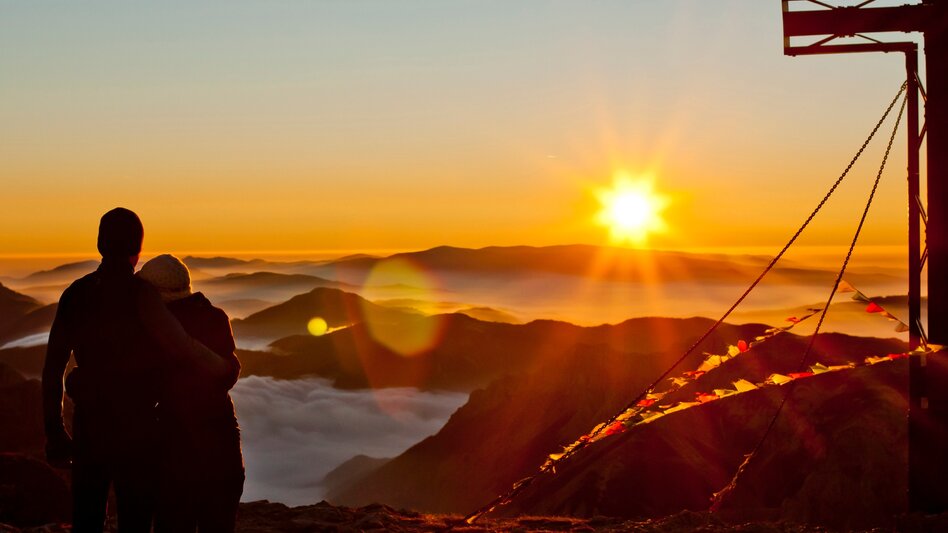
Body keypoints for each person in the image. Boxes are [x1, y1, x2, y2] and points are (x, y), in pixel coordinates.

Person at [42, 208, 233, 533]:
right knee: (136, 520)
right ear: (137, 250)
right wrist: (223, 368)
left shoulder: (76, 293)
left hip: (91, 424)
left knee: (87, 520)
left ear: (100, 244)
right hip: (140, 429)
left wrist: (55, 431)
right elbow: (182, 347)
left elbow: (53, 367)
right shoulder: (145, 297)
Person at [136, 254, 244, 533]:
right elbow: (229, 374)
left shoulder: (155, 327)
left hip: (176, 443)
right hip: (222, 439)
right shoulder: (215, 317)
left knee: (174, 521)